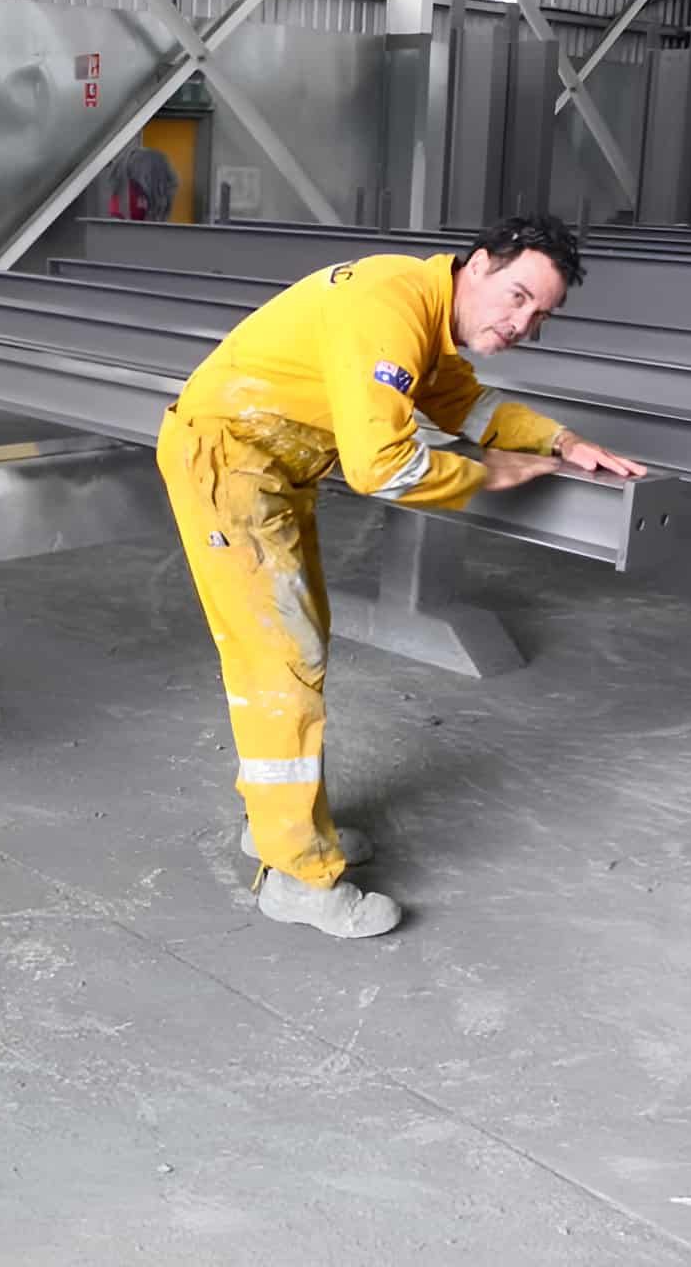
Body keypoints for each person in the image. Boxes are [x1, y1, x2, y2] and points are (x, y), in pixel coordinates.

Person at [155, 215, 645, 939]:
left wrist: (560, 441)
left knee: (301, 645)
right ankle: (296, 875)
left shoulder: (424, 308)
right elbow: (380, 464)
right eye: (515, 296)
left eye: (540, 314)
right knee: (281, 665)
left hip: (271, 468)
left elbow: (462, 403)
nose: (522, 323)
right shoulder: (389, 305)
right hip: (229, 466)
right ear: (476, 264)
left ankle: (282, 827)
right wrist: (486, 476)